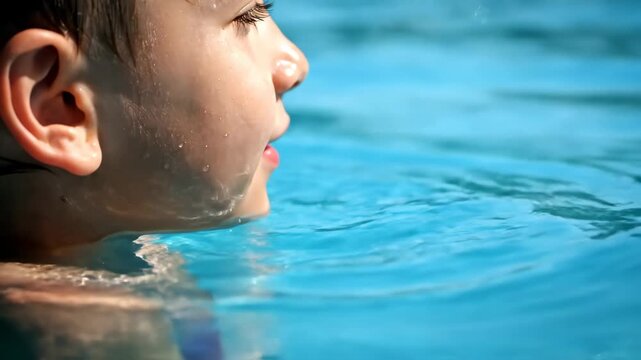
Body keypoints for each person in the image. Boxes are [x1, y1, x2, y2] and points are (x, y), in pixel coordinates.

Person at [0, 1, 308, 357]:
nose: (295, 65)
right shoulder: (85, 324)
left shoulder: (133, 255)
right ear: (61, 105)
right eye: (246, 18)